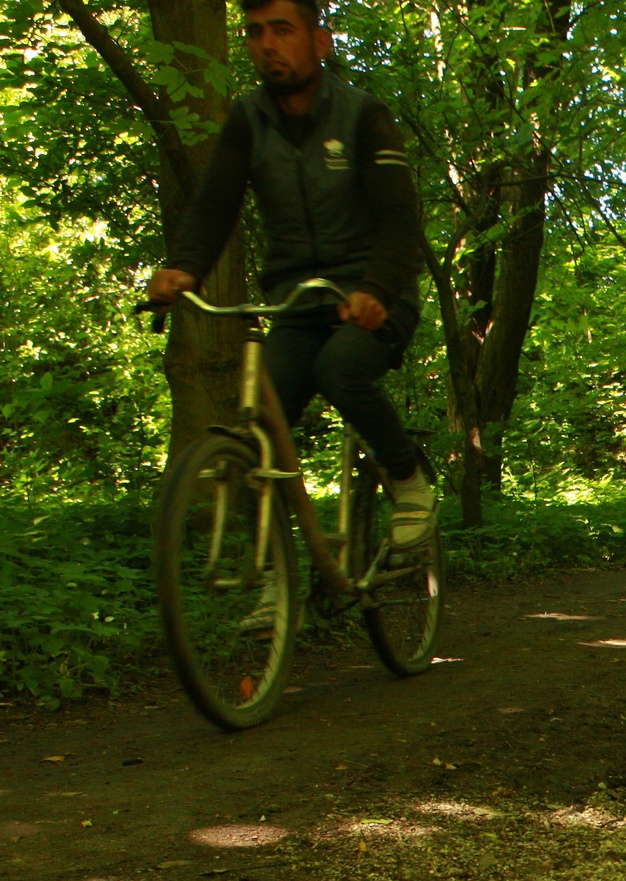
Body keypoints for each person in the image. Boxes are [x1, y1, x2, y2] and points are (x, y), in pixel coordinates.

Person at [147, 0, 433, 547]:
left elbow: (399, 219)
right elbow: (214, 205)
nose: (268, 45)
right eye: (255, 33)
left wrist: (374, 290)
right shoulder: (248, 120)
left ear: (318, 42)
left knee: (340, 369)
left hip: (375, 292)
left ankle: (407, 477)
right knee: (258, 426)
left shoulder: (362, 116)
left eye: (283, 30)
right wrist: (184, 267)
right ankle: (274, 585)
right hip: (296, 301)